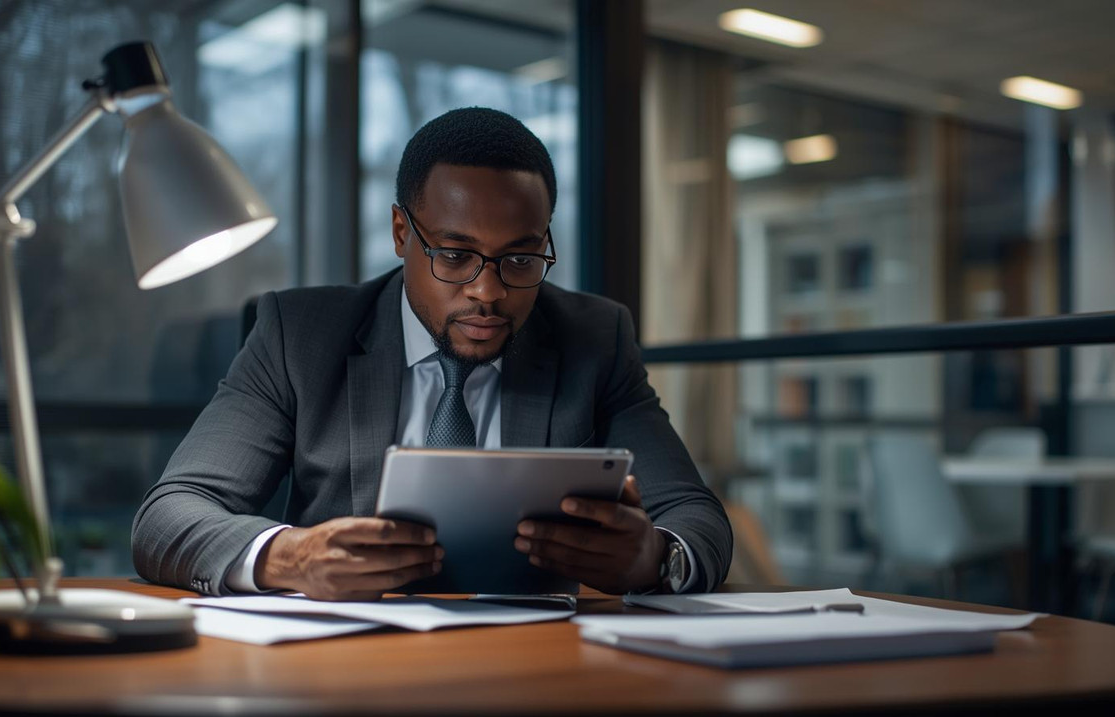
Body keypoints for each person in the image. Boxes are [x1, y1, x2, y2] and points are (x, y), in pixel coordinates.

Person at [132, 107, 732, 599]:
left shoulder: (594, 338)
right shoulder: (301, 335)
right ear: (401, 234)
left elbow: (695, 517)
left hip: (536, 665)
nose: (487, 291)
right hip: (344, 668)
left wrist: (657, 556)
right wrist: (290, 556)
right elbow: (170, 514)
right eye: (454, 255)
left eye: (520, 259)